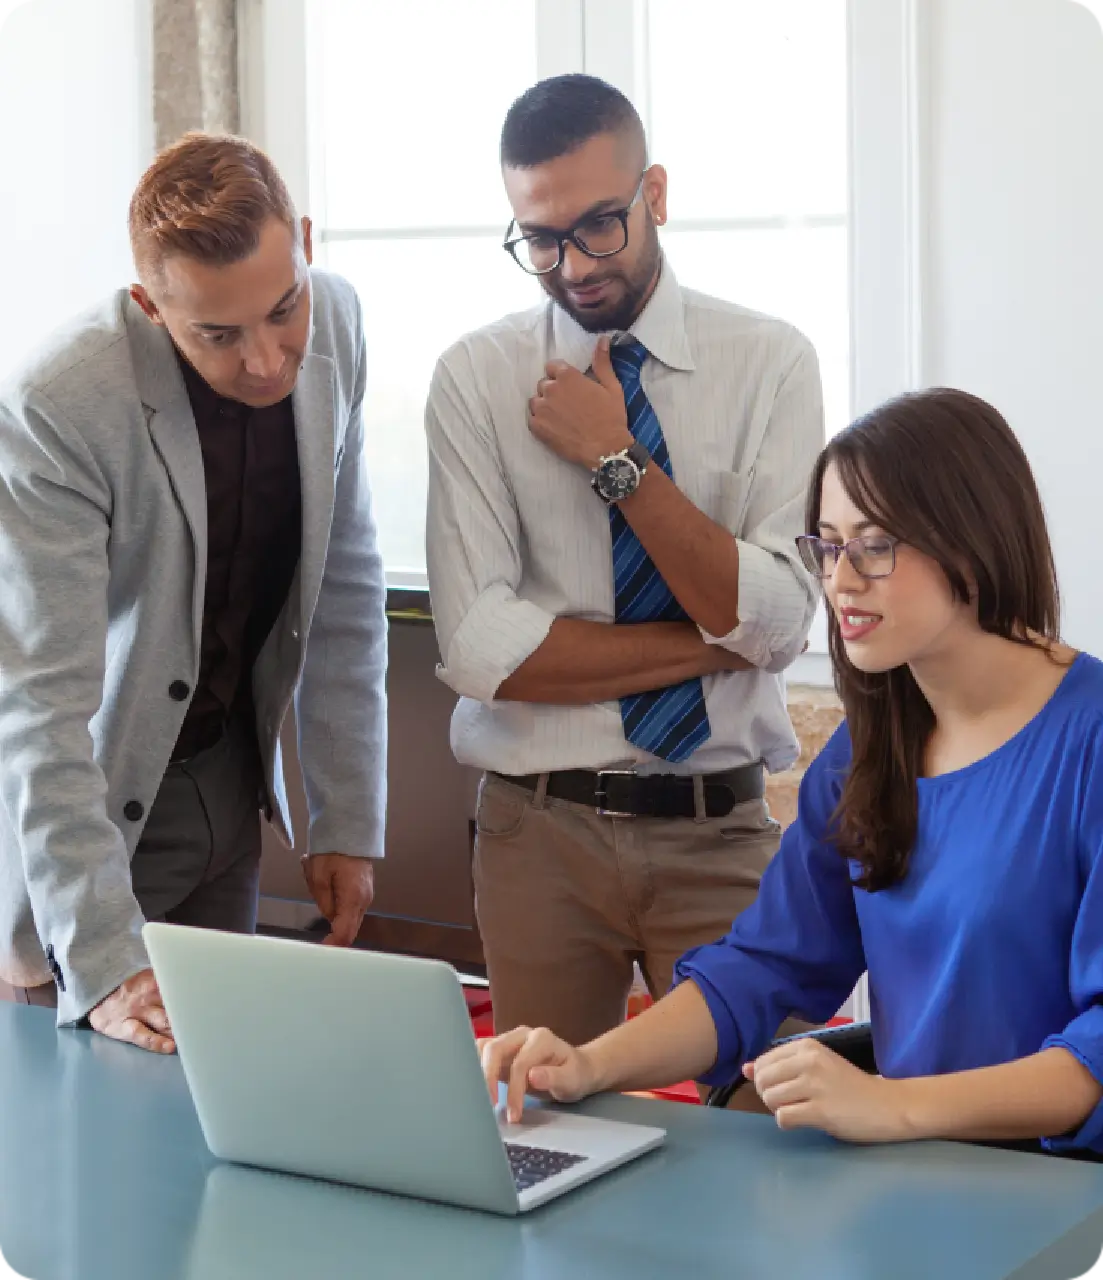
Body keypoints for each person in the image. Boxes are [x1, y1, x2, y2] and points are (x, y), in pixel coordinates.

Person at [481, 387, 1103, 1160]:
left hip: (1060, 1193)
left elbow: (1096, 1056)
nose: (840, 582)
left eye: (875, 546)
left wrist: (889, 1105)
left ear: (969, 546)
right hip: (917, 1176)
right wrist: (585, 1063)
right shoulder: (864, 751)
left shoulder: (1089, 741)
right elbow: (767, 965)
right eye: (830, 546)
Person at [425, 74, 823, 1046]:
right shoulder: (476, 379)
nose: (570, 265)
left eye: (598, 224)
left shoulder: (771, 361)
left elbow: (779, 618)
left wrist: (617, 460)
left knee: (770, 1124)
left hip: (717, 824)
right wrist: (713, 641)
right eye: (539, 238)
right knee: (542, 1138)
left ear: (653, 194)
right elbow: (483, 653)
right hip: (537, 829)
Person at [0, 133, 388, 1052]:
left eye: (279, 310)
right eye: (218, 334)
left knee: (221, 1109)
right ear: (150, 305)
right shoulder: (57, 403)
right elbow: (40, 703)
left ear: (302, 240)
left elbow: (342, 585)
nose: (263, 360)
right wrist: (100, 958)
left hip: (229, 784)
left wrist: (345, 818)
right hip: (90, 812)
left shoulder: (334, 321)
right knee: (88, 1147)